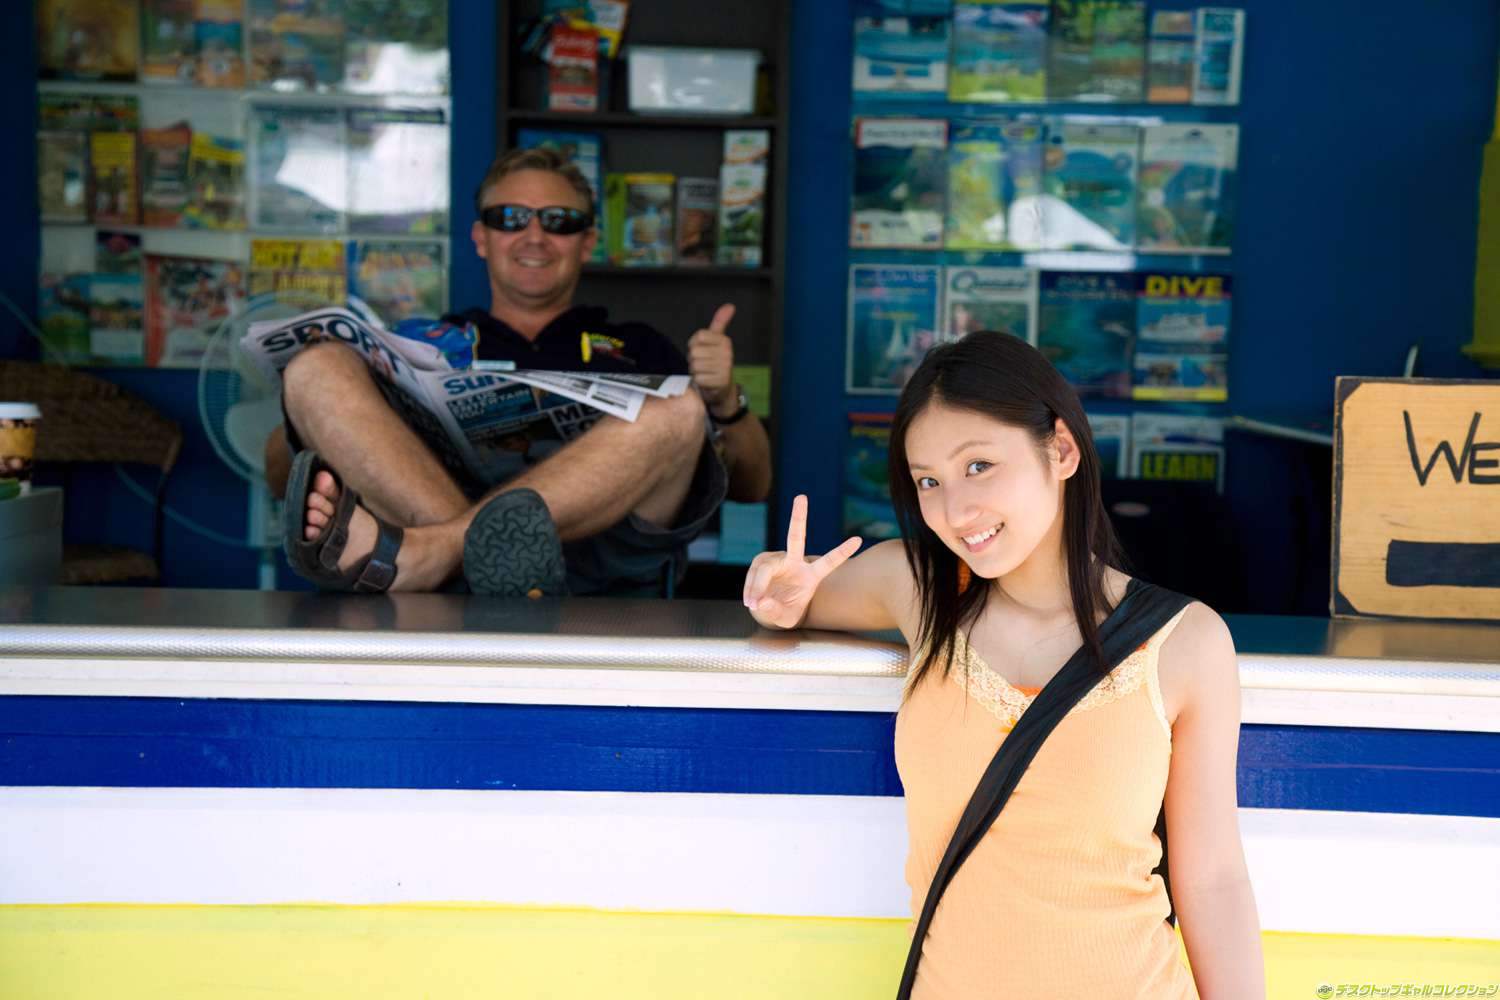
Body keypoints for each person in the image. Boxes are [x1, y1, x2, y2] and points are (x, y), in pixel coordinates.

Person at [741, 331, 1264, 998]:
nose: (956, 510)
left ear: (1062, 449)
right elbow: (793, 601)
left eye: (980, 465)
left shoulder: (1187, 641)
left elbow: (1214, 878)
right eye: (929, 481)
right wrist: (769, 586)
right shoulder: (919, 587)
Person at [271, 146, 772, 596]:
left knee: (679, 407)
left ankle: (438, 552)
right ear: (481, 237)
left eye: (558, 221)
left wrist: (725, 400)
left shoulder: (640, 345)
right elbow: (278, 475)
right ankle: (471, 562)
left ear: (587, 241)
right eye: (510, 218)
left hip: (600, 569)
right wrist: (307, 414)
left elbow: (754, 487)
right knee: (316, 366)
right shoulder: (418, 343)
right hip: (427, 517)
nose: (534, 236)